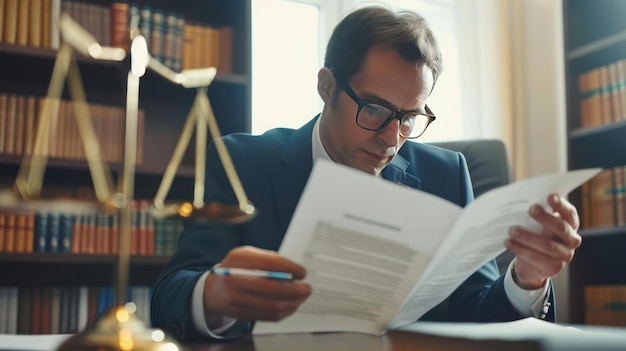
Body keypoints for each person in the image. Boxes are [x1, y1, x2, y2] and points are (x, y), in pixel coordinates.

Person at [151, 5, 582, 341]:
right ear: (327, 86)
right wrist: (214, 296)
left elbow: (477, 313)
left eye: (409, 116)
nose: (392, 139)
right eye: (375, 109)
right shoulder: (241, 161)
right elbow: (170, 295)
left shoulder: (446, 175)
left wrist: (527, 277)